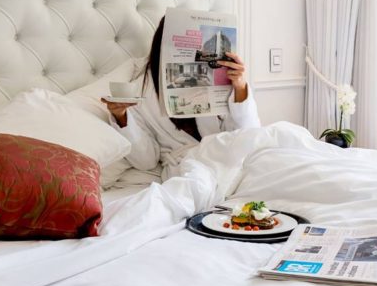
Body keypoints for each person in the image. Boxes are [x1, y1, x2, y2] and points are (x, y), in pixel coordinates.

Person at [101, 16, 260, 181]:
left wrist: (240, 87)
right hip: (187, 167)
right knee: (199, 181)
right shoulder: (140, 93)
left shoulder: (222, 78)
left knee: (273, 155)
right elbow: (146, 162)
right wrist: (121, 117)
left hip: (227, 157)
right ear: (162, 45)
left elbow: (249, 134)